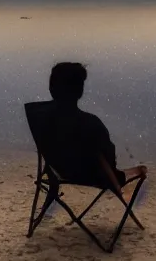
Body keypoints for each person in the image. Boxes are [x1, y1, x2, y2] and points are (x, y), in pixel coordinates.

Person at [44, 62, 146, 202]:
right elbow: (108, 157)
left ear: (51, 88)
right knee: (141, 172)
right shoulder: (90, 122)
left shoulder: (41, 116)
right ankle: (134, 184)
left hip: (58, 171)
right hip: (91, 176)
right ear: (79, 91)